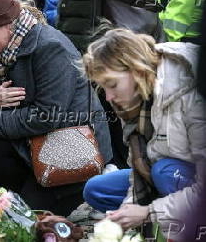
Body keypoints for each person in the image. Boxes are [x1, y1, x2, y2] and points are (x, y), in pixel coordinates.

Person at [0, 0, 113, 216]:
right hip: (35, 143)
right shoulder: (4, 50)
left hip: (71, 148)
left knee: (27, 219)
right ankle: (23, 193)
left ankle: (71, 193)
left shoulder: (50, 47)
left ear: (6, 23)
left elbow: (47, 116)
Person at [82, 28, 206, 236]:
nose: (109, 97)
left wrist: (149, 212)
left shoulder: (190, 92)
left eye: (112, 85)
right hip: (172, 175)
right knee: (97, 189)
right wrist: (127, 212)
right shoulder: (132, 98)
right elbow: (140, 170)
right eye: (104, 88)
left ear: (137, 70)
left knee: (163, 171)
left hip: (184, 178)